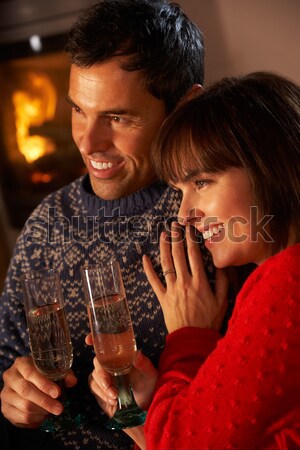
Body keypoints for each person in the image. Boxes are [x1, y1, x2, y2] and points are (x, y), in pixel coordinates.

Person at [0, 1, 216, 449]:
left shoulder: (215, 221)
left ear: (186, 106)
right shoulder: (43, 227)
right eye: (78, 110)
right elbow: (5, 359)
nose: (87, 141)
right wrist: (13, 396)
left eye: (118, 118)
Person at [89, 71, 300, 449]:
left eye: (201, 182)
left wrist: (187, 340)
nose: (185, 213)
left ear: (268, 163)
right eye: (180, 190)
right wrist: (152, 409)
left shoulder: (288, 281)